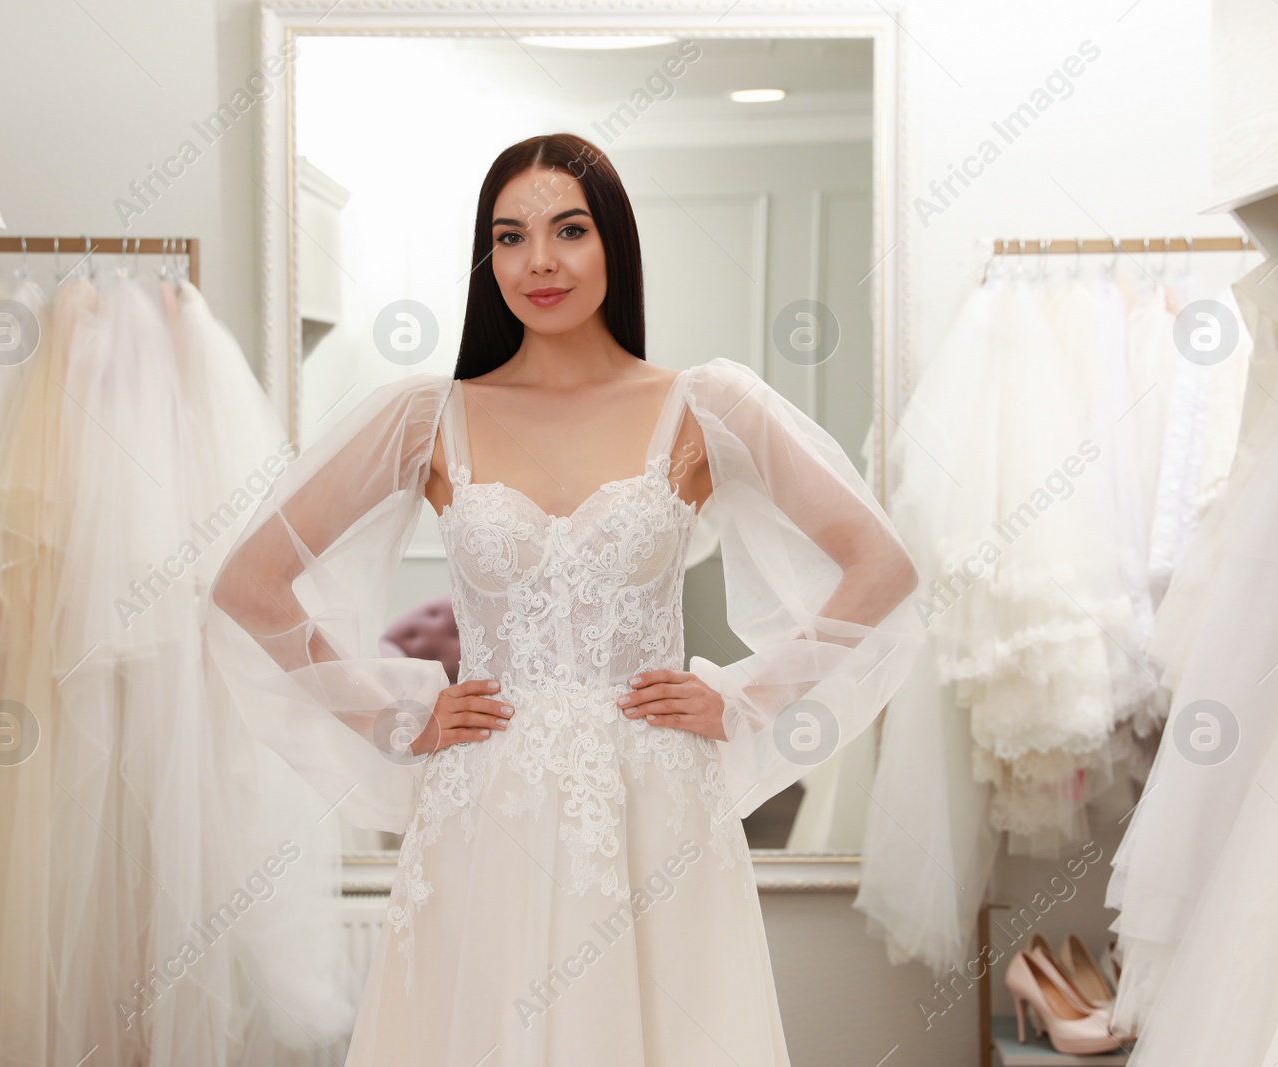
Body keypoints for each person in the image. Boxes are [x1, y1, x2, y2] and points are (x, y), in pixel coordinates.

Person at [205, 132, 925, 1066]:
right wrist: (396, 716)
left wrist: (747, 697)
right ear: (487, 257)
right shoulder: (428, 417)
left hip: (655, 793)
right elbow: (247, 586)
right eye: (509, 236)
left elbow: (882, 567)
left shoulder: (707, 406)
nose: (538, 260)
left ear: (612, 245)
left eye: (568, 230)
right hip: (485, 796)